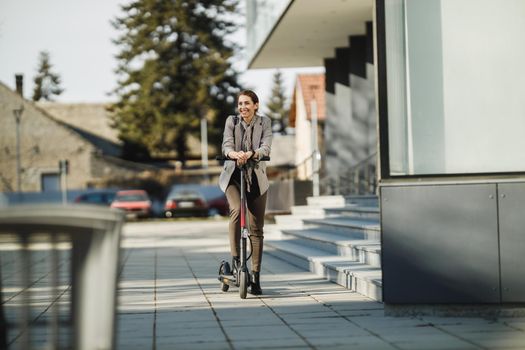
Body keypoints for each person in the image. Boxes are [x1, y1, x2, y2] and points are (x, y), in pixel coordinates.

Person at [218, 90, 272, 295]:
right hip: (233, 176)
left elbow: (266, 146)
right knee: (237, 212)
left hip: (256, 178)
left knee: (256, 229)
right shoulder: (231, 121)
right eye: (240, 104)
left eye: (247, 103)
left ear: (256, 105)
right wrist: (234, 154)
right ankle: (237, 262)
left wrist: (252, 153)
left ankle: (256, 276)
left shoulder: (264, 122)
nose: (243, 107)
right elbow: (226, 144)